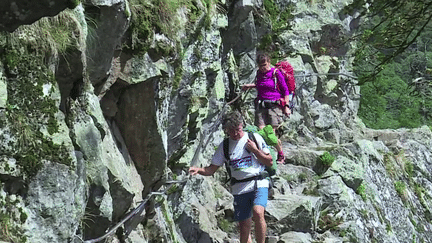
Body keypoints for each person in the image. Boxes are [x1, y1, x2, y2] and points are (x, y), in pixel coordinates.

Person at [189, 111, 273, 243]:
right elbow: (211, 169)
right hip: (239, 188)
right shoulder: (225, 146)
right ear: (226, 130)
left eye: (238, 129)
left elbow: (269, 161)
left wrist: (255, 150)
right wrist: (198, 170)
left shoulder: (254, 138)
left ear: (242, 125)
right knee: (244, 226)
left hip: (258, 182)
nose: (235, 134)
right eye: (231, 131)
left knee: (258, 212)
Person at [242, 53, 290, 164]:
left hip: (274, 106)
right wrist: (250, 86)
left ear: (269, 62)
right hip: (261, 105)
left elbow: (285, 90)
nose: (262, 67)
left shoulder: (275, 73)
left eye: (264, 65)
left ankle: (280, 154)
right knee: (261, 133)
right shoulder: (259, 73)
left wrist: (286, 106)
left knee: (270, 135)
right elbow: (260, 85)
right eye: (260, 65)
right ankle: (265, 155)